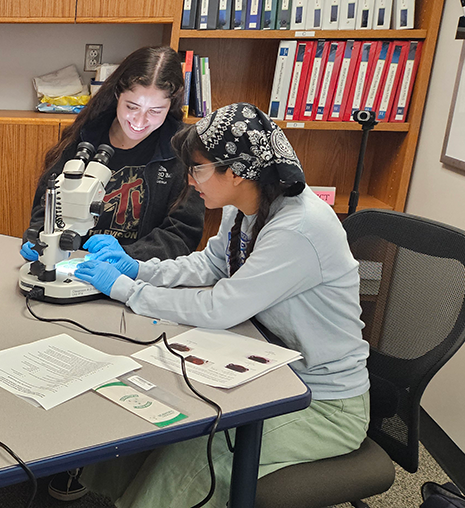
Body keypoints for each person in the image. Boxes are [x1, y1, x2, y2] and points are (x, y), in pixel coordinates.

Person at [72, 103, 370, 507]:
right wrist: (139, 269)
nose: (190, 179)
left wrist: (128, 290)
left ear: (236, 172)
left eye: (197, 169)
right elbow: (210, 264)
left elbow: (220, 307)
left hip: (323, 404)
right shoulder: (247, 208)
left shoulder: (299, 228)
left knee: (196, 457)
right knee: (155, 414)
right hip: (267, 367)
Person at [22, 46, 205, 266]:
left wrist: (128, 258)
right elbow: (47, 205)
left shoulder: (183, 151)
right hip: (71, 262)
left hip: (139, 273)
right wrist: (41, 237)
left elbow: (181, 234)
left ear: (171, 105)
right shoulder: (85, 135)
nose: (139, 121)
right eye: (132, 107)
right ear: (118, 93)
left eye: (155, 111)